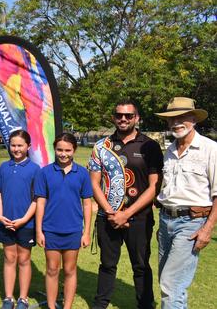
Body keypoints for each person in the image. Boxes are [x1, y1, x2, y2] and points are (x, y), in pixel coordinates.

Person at [89, 100, 163, 309]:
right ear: (113, 117)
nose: (123, 119)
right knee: (107, 265)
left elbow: (154, 187)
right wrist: (111, 213)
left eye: (128, 115)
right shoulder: (101, 146)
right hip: (108, 218)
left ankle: (145, 305)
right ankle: (100, 304)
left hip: (139, 218)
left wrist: (126, 213)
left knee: (140, 265)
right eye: (119, 115)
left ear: (137, 118)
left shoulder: (150, 146)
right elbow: (94, 183)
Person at [154, 97, 217, 308]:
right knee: (171, 282)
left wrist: (207, 229)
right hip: (165, 222)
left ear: (194, 119)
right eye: (171, 119)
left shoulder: (210, 149)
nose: (176, 123)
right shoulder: (169, 151)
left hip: (191, 223)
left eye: (182, 117)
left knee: (171, 283)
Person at [35, 133, 93, 309]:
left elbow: (87, 203)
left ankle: (67, 306)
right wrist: (39, 231)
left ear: (74, 150)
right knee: (52, 269)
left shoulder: (82, 173)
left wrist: (86, 232)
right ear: (54, 149)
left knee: (69, 270)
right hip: (50, 229)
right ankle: (52, 306)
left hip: (74, 230)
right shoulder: (44, 172)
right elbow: (40, 202)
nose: (63, 154)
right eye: (59, 149)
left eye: (67, 150)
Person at [0, 130, 39, 309]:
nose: (16, 149)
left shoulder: (35, 169)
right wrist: (0, 214)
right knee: (9, 258)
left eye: (20, 145)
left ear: (28, 146)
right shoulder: (4, 167)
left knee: (24, 259)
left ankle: (23, 298)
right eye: (13, 145)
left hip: (26, 223)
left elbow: (37, 199)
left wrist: (24, 219)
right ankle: (8, 297)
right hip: (6, 222)